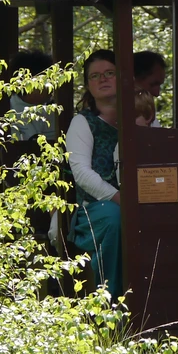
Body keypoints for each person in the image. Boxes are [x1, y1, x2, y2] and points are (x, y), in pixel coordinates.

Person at [64, 50, 123, 293]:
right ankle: (112, 301)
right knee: (115, 218)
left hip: (142, 200)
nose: (103, 79)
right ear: (88, 85)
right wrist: (119, 198)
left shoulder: (142, 116)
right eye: (95, 76)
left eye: (109, 73)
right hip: (95, 210)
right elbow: (82, 173)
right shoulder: (82, 123)